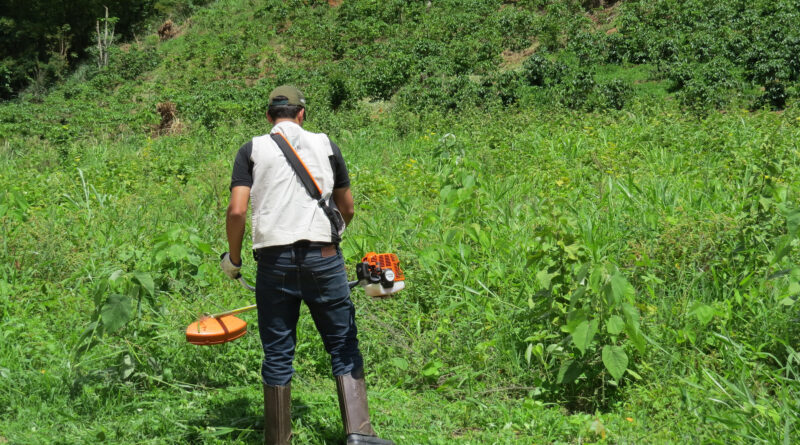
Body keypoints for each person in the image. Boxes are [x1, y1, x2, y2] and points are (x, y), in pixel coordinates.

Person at [219, 85, 393, 445]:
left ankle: (278, 440)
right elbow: (347, 208)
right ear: (302, 114)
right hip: (324, 260)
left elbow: (236, 211)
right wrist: (329, 238)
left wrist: (233, 261)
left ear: (269, 117)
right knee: (343, 343)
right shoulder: (326, 144)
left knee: (279, 351)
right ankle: (359, 434)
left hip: (273, 263)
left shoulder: (252, 149)